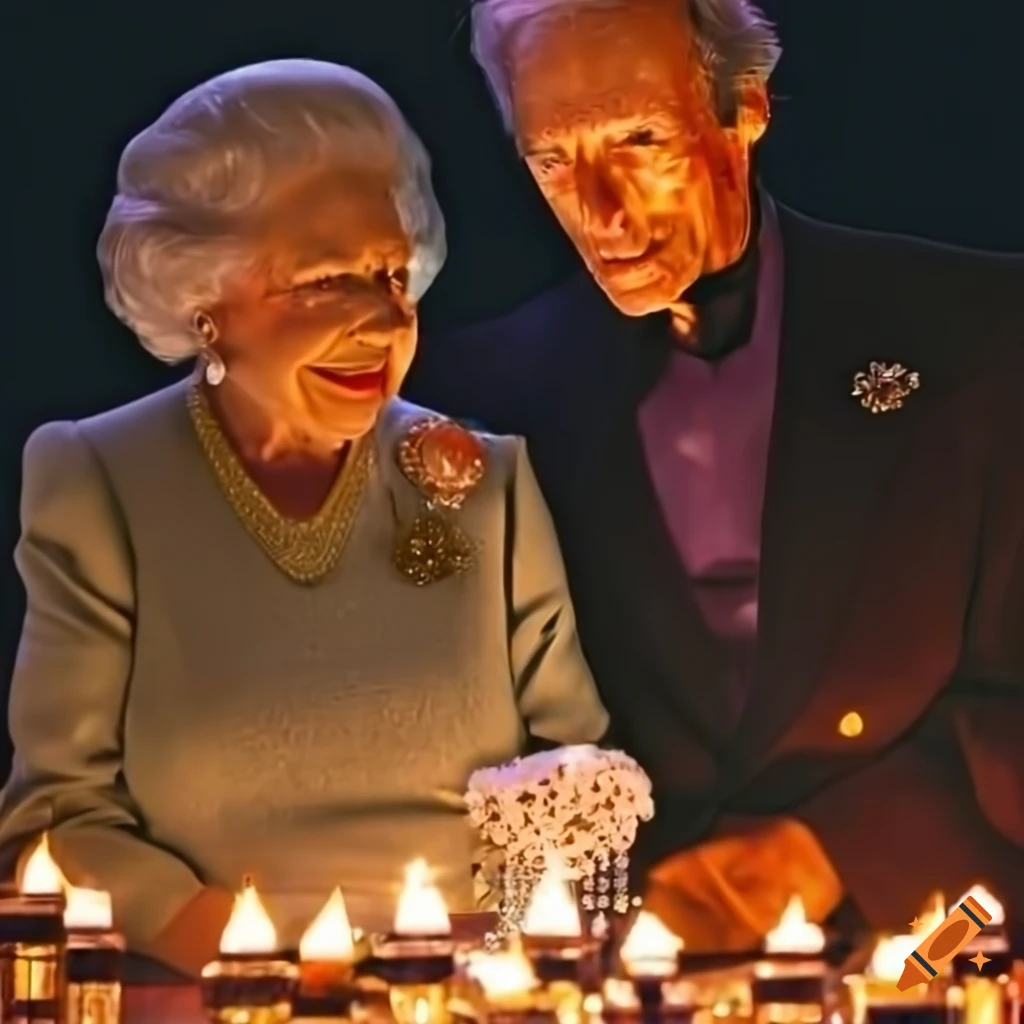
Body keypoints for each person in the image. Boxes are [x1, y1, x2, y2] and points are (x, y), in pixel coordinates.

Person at [405, 0, 1024, 949]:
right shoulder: (479, 396)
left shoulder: (983, 336)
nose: (600, 211)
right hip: (613, 965)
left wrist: (839, 846)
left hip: (931, 940)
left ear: (748, 107)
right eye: (554, 159)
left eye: (640, 137)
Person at [0, 59, 608, 973]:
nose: (382, 320)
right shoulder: (100, 479)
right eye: (326, 281)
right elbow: (58, 821)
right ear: (205, 302)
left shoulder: (486, 481)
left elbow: (576, 776)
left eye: (392, 275)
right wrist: (269, 969)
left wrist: (502, 955)